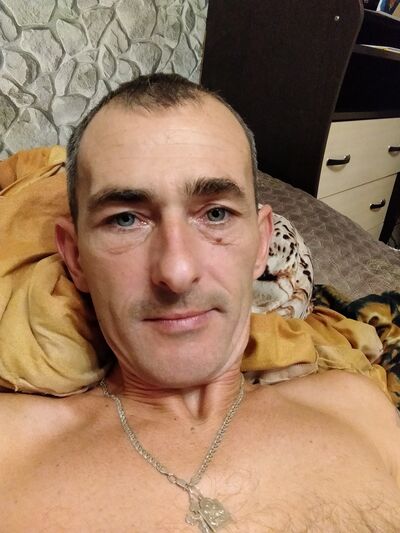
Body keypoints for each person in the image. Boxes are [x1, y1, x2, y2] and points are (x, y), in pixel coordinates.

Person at [1, 73, 400, 532]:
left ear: (261, 244)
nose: (176, 271)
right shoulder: (10, 453)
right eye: (126, 219)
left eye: (216, 213)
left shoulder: (359, 411)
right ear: (75, 259)